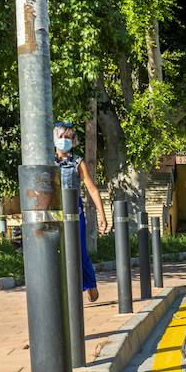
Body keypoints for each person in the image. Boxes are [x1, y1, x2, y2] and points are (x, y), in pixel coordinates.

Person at [54, 121, 109, 302]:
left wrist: (102, 215)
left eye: (68, 137)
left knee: (79, 252)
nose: (64, 140)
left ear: (74, 140)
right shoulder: (47, 161)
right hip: (54, 213)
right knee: (56, 253)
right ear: (54, 138)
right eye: (61, 137)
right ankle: (65, 292)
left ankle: (90, 284)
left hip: (75, 212)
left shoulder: (77, 161)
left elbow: (91, 188)